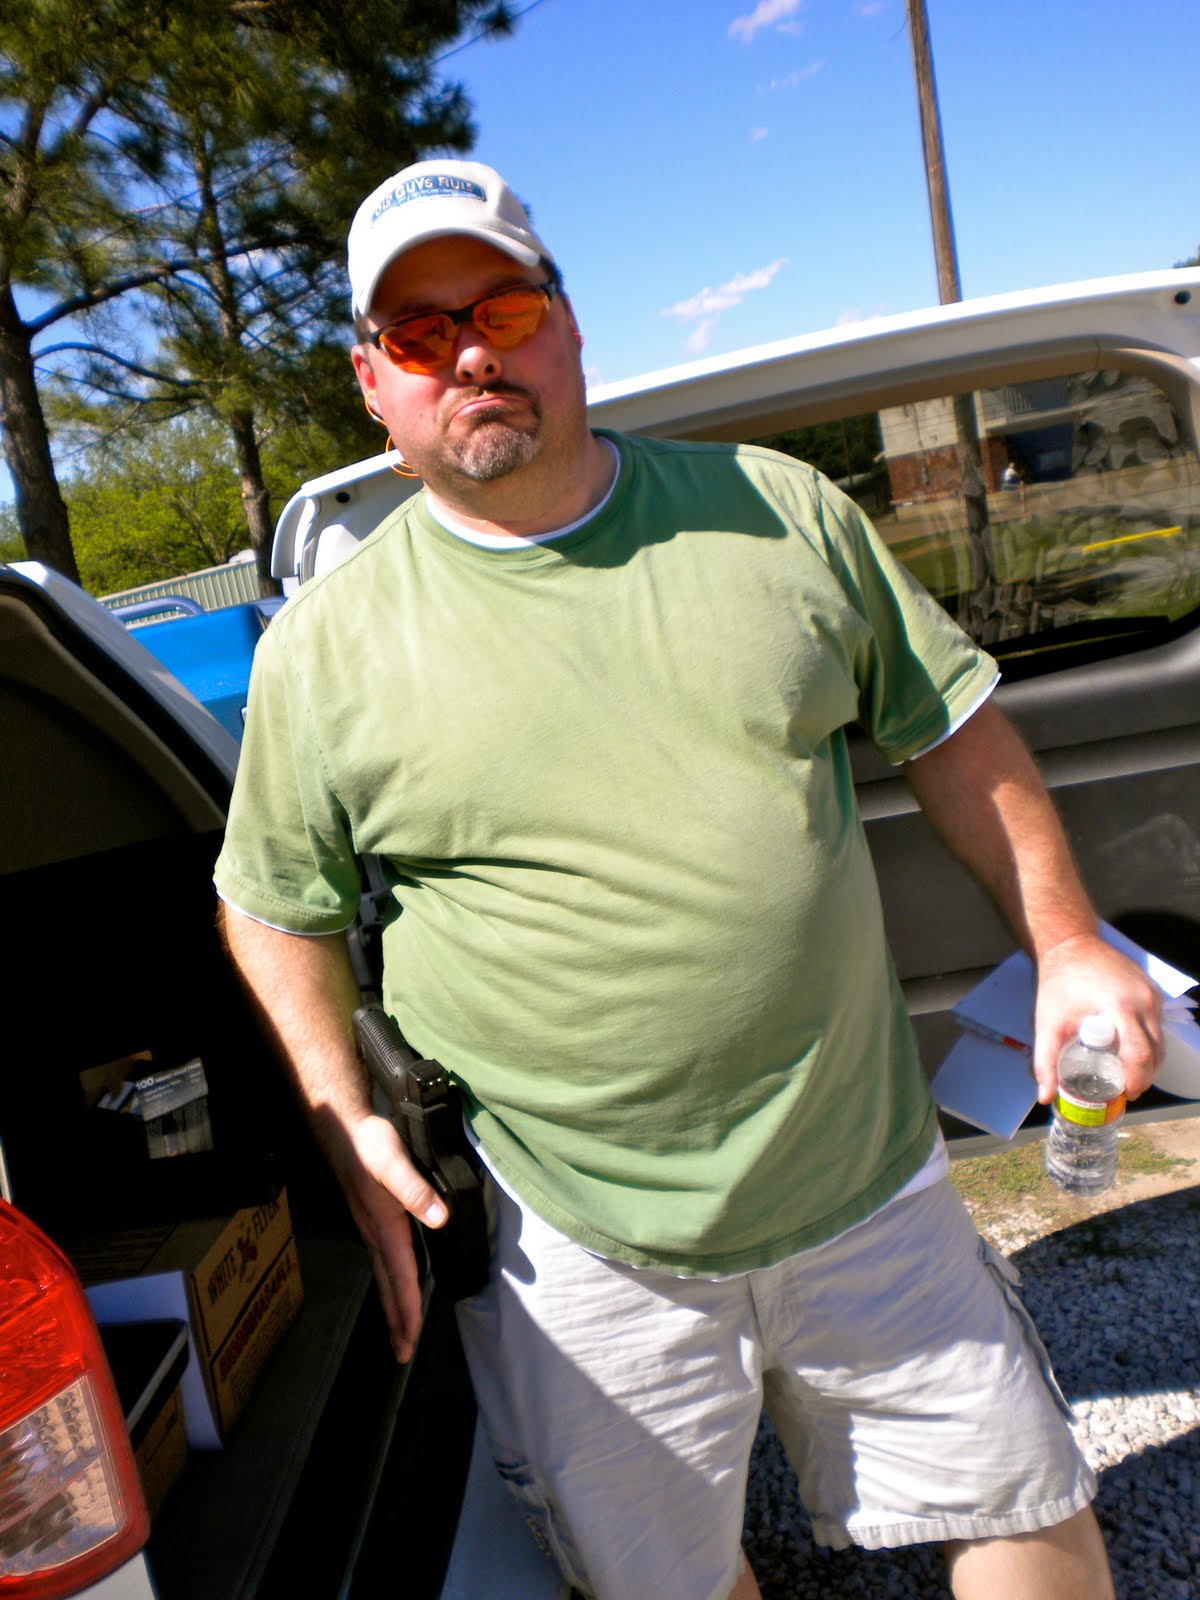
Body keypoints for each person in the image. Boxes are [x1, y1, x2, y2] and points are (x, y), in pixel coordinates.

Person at [215, 160, 1164, 1600]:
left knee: (1031, 1519)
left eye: (504, 309)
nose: (470, 354)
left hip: (863, 1176)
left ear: (568, 325)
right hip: (573, 1238)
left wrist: (1072, 938)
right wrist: (342, 1117)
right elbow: (270, 901)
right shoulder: (323, 650)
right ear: (373, 382)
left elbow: (952, 730)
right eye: (420, 332)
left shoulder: (776, 513)